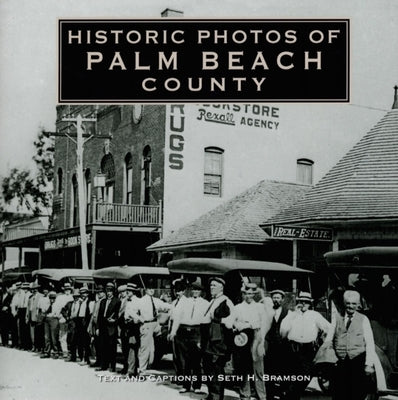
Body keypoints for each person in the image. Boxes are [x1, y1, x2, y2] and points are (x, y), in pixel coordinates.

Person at [280, 291, 331, 400]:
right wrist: (293, 314)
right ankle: (292, 396)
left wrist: (324, 342)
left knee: (305, 376)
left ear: (310, 304)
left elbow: (329, 328)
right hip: (292, 348)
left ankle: (292, 395)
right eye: (301, 301)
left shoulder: (315, 315)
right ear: (297, 302)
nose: (303, 304)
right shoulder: (291, 314)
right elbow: (283, 331)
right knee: (291, 376)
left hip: (308, 349)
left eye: (306, 302)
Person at [329, 290, 377, 400]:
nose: (351, 306)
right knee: (339, 393)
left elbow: (369, 342)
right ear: (344, 303)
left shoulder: (363, 319)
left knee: (356, 393)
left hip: (357, 360)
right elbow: (329, 339)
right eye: (348, 303)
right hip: (340, 361)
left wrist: (369, 364)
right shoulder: (337, 317)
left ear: (358, 304)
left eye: (354, 303)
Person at [225, 283, 267, 400]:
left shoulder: (260, 307)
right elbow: (230, 323)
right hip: (243, 337)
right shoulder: (238, 308)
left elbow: (263, 324)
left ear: (254, 294)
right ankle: (245, 393)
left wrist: (262, 342)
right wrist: (237, 325)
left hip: (256, 336)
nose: (249, 296)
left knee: (258, 368)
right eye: (246, 293)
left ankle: (261, 395)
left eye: (251, 293)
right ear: (243, 294)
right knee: (244, 367)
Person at [202, 277, 234, 400]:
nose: (211, 288)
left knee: (216, 371)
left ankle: (216, 397)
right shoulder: (213, 301)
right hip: (209, 341)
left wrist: (218, 320)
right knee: (209, 369)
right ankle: (211, 395)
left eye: (214, 285)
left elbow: (231, 322)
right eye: (211, 285)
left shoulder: (226, 301)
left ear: (221, 287)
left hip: (218, 342)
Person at [136, 279, 171, 374]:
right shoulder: (141, 301)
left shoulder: (155, 300)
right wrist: (139, 319)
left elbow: (165, 306)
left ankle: (150, 364)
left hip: (155, 324)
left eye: (153, 288)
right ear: (146, 289)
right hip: (146, 324)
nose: (152, 290)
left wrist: (174, 306)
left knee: (154, 347)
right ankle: (142, 370)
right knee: (145, 348)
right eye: (150, 288)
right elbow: (132, 311)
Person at [264, 289, 290, 400]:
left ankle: (282, 394)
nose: (276, 300)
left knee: (283, 371)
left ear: (282, 300)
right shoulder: (267, 312)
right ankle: (270, 395)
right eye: (274, 298)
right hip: (270, 346)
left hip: (283, 347)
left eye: (278, 298)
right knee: (269, 372)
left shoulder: (288, 313)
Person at [96, 282, 121, 372]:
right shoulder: (103, 301)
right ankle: (104, 366)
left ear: (113, 291)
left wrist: (115, 321)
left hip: (112, 327)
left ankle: (112, 366)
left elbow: (119, 314)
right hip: (103, 327)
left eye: (110, 291)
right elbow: (99, 316)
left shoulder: (117, 301)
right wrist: (98, 328)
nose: (108, 293)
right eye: (107, 291)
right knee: (103, 347)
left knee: (112, 348)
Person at [124, 282, 142, 377]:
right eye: (127, 290)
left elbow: (141, 314)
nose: (127, 292)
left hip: (136, 327)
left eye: (129, 291)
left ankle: (137, 370)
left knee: (137, 349)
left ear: (133, 292)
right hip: (129, 327)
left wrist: (136, 319)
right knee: (131, 348)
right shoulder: (128, 301)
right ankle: (131, 370)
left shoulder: (138, 301)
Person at [87, 284, 106, 368]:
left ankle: (102, 362)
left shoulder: (104, 301)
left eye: (101, 292)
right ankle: (98, 361)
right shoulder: (97, 301)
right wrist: (90, 326)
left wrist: (98, 327)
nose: (99, 293)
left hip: (100, 326)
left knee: (102, 345)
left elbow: (101, 316)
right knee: (96, 344)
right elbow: (93, 315)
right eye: (98, 292)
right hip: (94, 325)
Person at [41, 291, 62, 358]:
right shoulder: (46, 303)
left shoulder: (58, 304)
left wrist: (56, 316)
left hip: (54, 319)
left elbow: (59, 313)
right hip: (47, 319)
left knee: (54, 337)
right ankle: (47, 351)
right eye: (51, 298)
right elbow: (43, 310)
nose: (52, 299)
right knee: (47, 336)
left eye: (53, 298)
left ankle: (56, 352)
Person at [76, 286, 93, 365]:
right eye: (82, 294)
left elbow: (91, 314)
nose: (83, 295)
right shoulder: (80, 302)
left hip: (86, 322)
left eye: (84, 293)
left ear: (87, 294)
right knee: (80, 341)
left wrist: (89, 325)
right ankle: (82, 357)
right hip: (79, 322)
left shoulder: (90, 302)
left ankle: (86, 359)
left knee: (86, 342)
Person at [62, 289, 81, 362]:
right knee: (71, 340)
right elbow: (63, 310)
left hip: (78, 323)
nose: (76, 298)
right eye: (74, 296)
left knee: (78, 340)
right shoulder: (69, 303)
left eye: (77, 296)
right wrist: (66, 316)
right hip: (71, 323)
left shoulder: (81, 303)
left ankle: (80, 356)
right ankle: (73, 356)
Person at [56, 282, 74, 358]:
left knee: (72, 336)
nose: (67, 291)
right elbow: (57, 307)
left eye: (69, 289)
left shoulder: (73, 297)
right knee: (63, 335)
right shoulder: (60, 297)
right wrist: (59, 316)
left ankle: (72, 351)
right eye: (66, 289)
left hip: (72, 319)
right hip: (62, 318)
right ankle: (65, 351)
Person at [25, 282, 42, 352]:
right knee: (32, 333)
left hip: (38, 317)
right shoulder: (30, 297)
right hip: (31, 316)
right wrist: (26, 316)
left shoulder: (41, 296)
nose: (34, 290)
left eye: (35, 289)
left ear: (37, 289)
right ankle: (33, 346)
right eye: (32, 289)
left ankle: (39, 347)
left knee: (39, 333)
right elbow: (28, 308)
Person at [117, 284, 129, 374]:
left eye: (124, 292)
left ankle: (128, 367)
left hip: (126, 326)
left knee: (127, 348)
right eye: (121, 292)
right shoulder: (120, 300)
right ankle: (125, 366)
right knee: (124, 348)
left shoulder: (128, 301)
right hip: (121, 326)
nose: (122, 294)